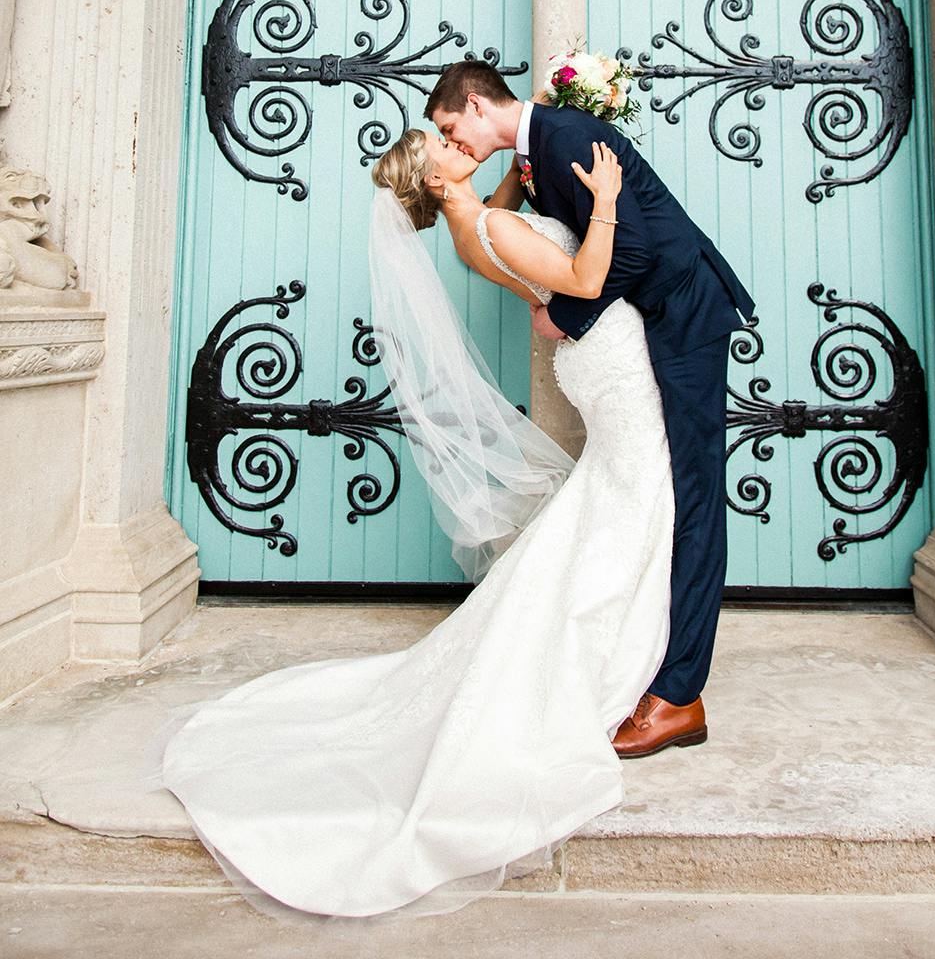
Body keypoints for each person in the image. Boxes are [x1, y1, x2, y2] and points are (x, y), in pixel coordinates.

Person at [160, 110, 681, 918]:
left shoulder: (477, 223)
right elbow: (579, 283)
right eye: (444, 144)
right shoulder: (492, 224)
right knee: (631, 497)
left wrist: (521, 163)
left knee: (617, 504)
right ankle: (611, 659)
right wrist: (605, 198)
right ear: (436, 178)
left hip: (595, 360)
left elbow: (513, 245)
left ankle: (619, 643)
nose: (456, 144)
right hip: (611, 361)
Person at [427, 60, 754, 757]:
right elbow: (496, 223)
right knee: (660, 496)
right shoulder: (536, 147)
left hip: (685, 319)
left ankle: (679, 695)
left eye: (453, 127)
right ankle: (654, 668)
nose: (455, 143)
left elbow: (629, 249)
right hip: (649, 326)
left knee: (695, 500)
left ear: (478, 105)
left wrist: (565, 317)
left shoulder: (568, 137)